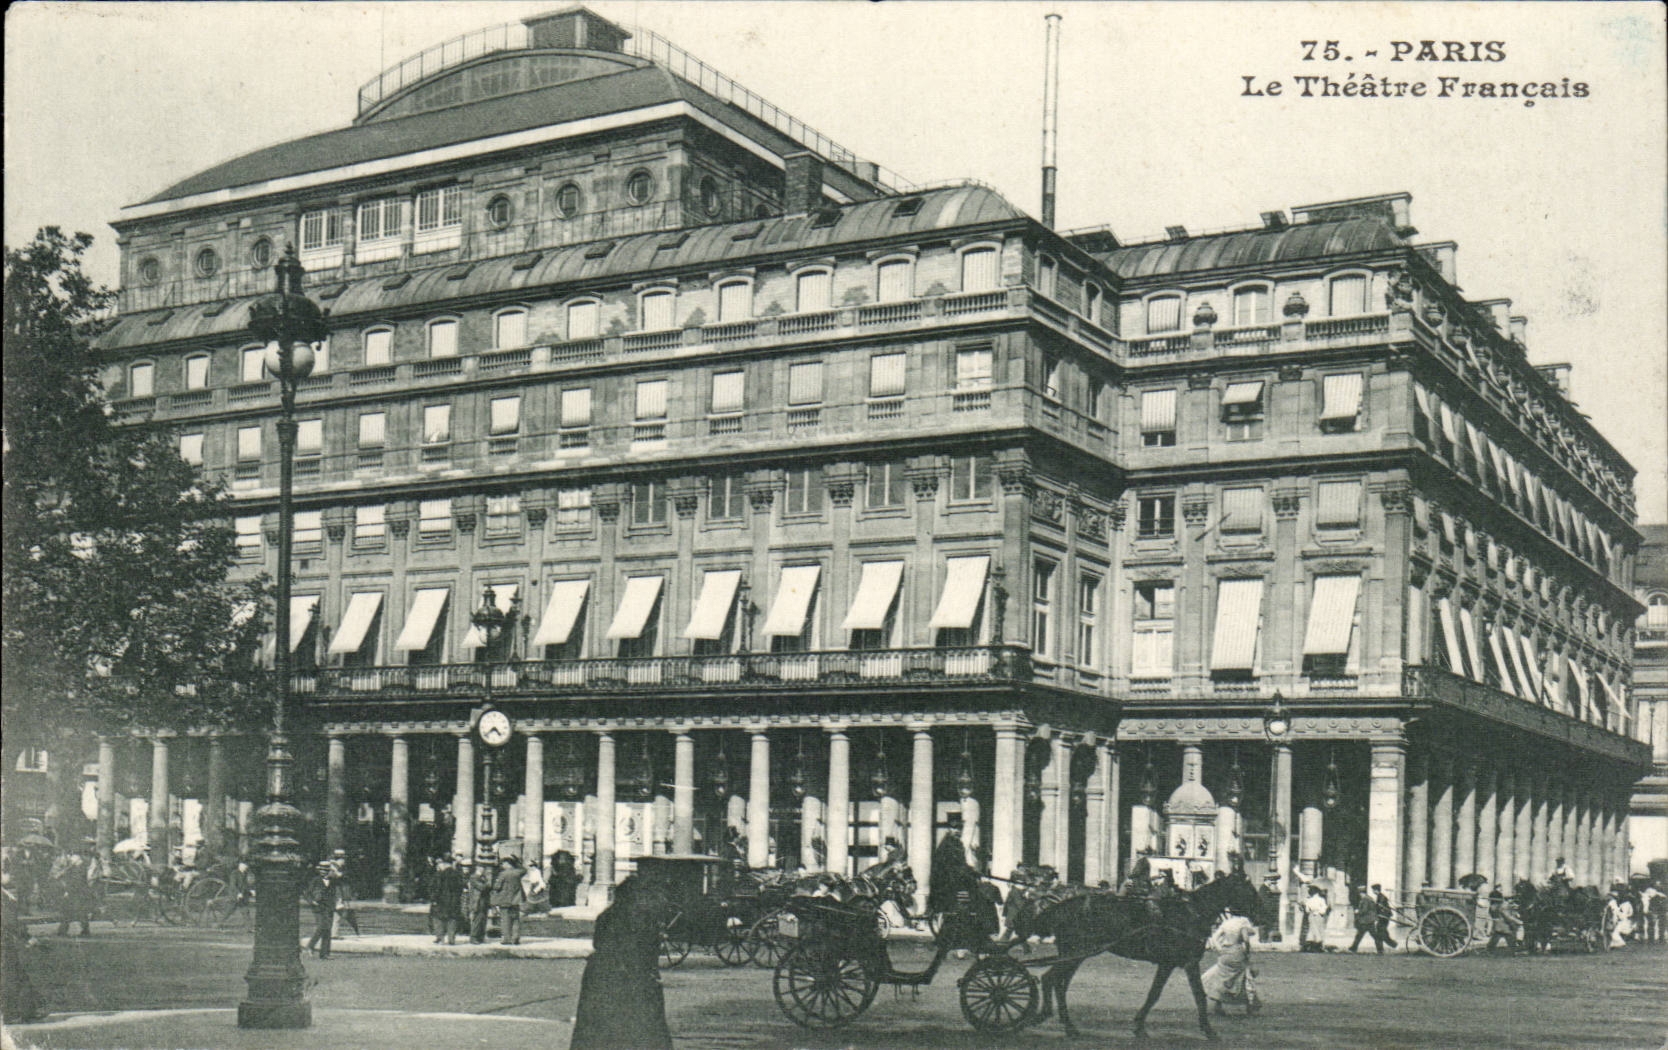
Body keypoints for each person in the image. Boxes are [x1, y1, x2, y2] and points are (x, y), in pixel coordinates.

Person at [569, 875, 676, 1050]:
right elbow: (644, 951)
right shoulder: (641, 917)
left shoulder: (607, 914)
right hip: (631, 976)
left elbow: (598, 943)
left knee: (596, 1028)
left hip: (600, 975)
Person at [1203, 905, 1261, 1017]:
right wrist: (1247, 951)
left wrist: (1220, 949)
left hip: (1225, 952)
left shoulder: (1226, 923)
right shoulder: (1243, 922)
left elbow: (1214, 938)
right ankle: (1250, 1005)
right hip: (1237, 951)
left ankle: (1218, 1005)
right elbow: (1246, 939)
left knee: (1221, 977)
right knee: (1244, 977)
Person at [53, 849, 96, 937]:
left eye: (73, 858)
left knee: (73, 912)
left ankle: (65, 930)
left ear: (78, 859)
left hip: (77, 893)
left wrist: (68, 891)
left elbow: (76, 882)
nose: (71, 860)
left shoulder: (80, 868)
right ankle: (81, 930)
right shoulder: (75, 868)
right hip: (76, 893)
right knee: (75, 912)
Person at [305, 861, 338, 959]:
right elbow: (307, 893)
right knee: (321, 926)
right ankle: (310, 946)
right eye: (321, 870)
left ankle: (325, 953)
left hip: (329, 907)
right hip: (318, 907)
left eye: (326, 870)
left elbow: (335, 892)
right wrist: (312, 901)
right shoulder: (315, 880)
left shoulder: (333, 881)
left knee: (328, 930)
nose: (323, 872)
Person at [430, 855, 464, 945]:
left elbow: (437, 888)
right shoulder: (457, 874)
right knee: (452, 919)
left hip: (442, 900)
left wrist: (434, 899)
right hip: (454, 900)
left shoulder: (440, 874)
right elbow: (460, 887)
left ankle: (440, 938)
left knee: (439, 918)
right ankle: (451, 939)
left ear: (444, 864)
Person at [492, 856, 526, 945]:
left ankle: (506, 939)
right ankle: (515, 937)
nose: (502, 865)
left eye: (503, 863)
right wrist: (516, 861)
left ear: (507, 864)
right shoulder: (517, 873)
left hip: (505, 900)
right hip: (516, 900)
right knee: (515, 919)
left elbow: (497, 886)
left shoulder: (503, 874)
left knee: (505, 920)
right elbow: (524, 870)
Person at [1348, 885, 1383, 953]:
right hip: (1369, 920)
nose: (1359, 895)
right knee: (1362, 935)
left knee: (1361, 935)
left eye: (1360, 893)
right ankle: (1380, 949)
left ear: (1361, 893)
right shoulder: (1369, 898)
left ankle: (1353, 948)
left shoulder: (1365, 899)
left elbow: (1364, 910)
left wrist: (1358, 911)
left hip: (1366, 921)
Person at [1485, 887, 1521, 952]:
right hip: (1506, 925)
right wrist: (1518, 921)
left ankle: (1489, 949)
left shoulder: (1493, 906)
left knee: (1495, 937)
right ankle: (1513, 950)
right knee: (1510, 938)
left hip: (1497, 925)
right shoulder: (1503, 905)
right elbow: (1507, 916)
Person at [467, 861, 494, 944]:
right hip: (477, 901)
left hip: (484, 901)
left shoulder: (483, 877)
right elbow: (481, 887)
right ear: (477, 868)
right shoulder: (473, 877)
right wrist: (488, 884)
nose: (483, 870)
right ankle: (473, 937)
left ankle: (480, 937)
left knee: (483, 919)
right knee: (477, 919)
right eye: (481, 868)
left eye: (483, 868)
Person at [1301, 884, 1330, 952]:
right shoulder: (1321, 900)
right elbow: (1324, 909)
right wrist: (1320, 912)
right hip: (1319, 915)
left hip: (1311, 915)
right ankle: (1319, 944)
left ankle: (1311, 944)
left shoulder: (1309, 900)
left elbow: (1307, 910)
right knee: (1319, 929)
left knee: (1312, 929)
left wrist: (1311, 911)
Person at [1371, 884, 1398, 949]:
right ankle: (1393, 945)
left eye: (1373, 890)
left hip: (1384, 917)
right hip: (1383, 917)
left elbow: (1380, 906)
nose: (1372, 891)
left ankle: (1382, 949)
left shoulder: (1381, 897)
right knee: (1383, 932)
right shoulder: (1380, 896)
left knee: (1380, 933)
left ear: (1376, 890)